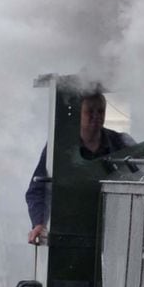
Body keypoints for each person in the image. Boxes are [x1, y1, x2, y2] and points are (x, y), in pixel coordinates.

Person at [25, 90, 134, 244]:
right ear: (78, 113)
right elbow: (36, 191)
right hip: (69, 232)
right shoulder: (60, 145)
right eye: (90, 111)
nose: (96, 116)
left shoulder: (121, 142)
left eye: (100, 111)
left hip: (112, 231)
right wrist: (40, 223)